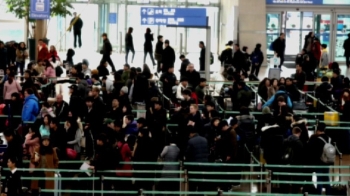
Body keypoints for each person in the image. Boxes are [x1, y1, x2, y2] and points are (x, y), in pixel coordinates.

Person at [306, 123, 332, 195]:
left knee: (319, 179)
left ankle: (319, 194)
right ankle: (328, 193)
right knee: (327, 178)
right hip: (327, 162)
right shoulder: (329, 138)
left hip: (319, 162)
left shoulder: (317, 139)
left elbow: (313, 151)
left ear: (318, 130)